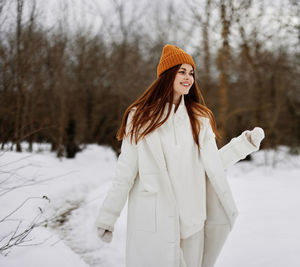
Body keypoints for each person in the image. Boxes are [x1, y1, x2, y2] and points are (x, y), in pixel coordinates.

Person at [95, 44, 265, 267]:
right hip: (155, 221)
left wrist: (244, 144)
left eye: (191, 72)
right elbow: (125, 173)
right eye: (182, 71)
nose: (188, 77)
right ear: (167, 75)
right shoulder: (140, 118)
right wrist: (108, 216)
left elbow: (212, 165)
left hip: (192, 220)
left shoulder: (199, 119)